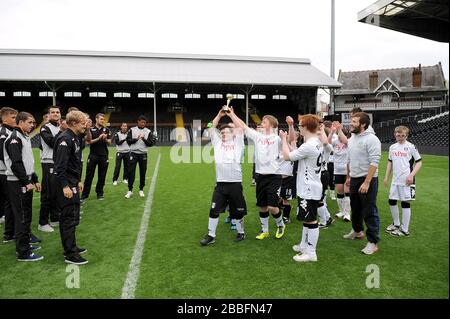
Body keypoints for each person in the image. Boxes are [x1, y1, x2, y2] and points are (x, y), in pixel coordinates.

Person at [228, 107, 286, 240]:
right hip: (260, 176)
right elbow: (242, 126)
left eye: (264, 122)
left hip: (274, 177)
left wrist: (285, 136)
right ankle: (264, 230)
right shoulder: (258, 136)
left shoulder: (277, 138)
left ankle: (280, 225)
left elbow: (287, 145)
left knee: (272, 207)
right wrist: (232, 114)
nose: (261, 123)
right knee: (262, 206)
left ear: (271, 124)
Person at [200, 110, 247, 245]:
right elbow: (210, 127)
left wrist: (231, 114)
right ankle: (211, 235)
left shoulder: (238, 143)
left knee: (238, 212)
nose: (224, 134)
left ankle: (241, 232)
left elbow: (240, 127)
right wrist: (220, 115)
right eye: (222, 132)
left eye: (227, 132)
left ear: (233, 134)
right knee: (214, 210)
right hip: (220, 184)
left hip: (235, 184)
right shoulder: (217, 143)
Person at [280, 114, 323, 263]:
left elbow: (287, 156)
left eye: (300, 125)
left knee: (311, 220)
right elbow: (297, 151)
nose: (299, 127)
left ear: (305, 127)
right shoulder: (316, 142)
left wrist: (283, 140)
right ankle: (304, 245)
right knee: (307, 218)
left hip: (309, 188)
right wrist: (290, 130)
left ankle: (311, 252)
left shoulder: (309, 145)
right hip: (311, 185)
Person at [4, 112, 43, 261]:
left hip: (25, 180)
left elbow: (28, 162)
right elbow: (16, 164)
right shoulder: (14, 138)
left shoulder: (24, 137)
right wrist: (26, 182)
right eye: (30, 122)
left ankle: (25, 244)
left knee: (26, 215)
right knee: (21, 217)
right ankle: (23, 252)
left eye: (33, 122)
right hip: (17, 182)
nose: (33, 125)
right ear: (20, 122)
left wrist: (34, 179)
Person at [344, 112, 381, 255]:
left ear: (363, 124)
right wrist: (349, 176)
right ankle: (357, 231)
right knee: (356, 207)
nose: (350, 123)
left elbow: (374, 162)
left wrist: (366, 182)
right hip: (354, 178)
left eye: (354, 121)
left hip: (367, 179)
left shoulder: (372, 139)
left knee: (369, 210)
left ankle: (373, 242)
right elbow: (349, 159)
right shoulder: (352, 138)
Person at [53, 110, 88, 265]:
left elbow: (74, 162)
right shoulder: (65, 139)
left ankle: (71, 246)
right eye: (82, 123)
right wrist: (65, 186)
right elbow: (60, 166)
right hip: (66, 183)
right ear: (74, 123)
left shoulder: (75, 137)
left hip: (73, 181)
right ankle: (70, 254)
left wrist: (78, 179)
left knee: (72, 216)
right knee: (68, 218)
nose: (85, 125)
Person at [384, 125, 422, 237]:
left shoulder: (411, 147)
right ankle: (396, 224)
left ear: (406, 135)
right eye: (398, 135)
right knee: (392, 200)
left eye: (403, 136)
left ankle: (405, 230)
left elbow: (419, 162)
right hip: (395, 180)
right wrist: (386, 177)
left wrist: (411, 175)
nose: (400, 137)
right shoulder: (392, 147)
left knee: (405, 203)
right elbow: (390, 162)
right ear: (395, 134)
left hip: (407, 180)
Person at [38, 105, 61, 233]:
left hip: (57, 162)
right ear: (49, 114)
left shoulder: (59, 127)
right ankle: (42, 222)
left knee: (56, 193)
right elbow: (52, 143)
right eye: (53, 112)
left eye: (57, 112)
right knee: (47, 193)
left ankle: (54, 218)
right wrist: (62, 132)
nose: (56, 114)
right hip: (48, 163)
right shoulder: (45, 127)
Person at [125, 115, 157, 198]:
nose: (143, 124)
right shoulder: (132, 130)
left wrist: (143, 139)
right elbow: (128, 141)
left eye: (144, 122)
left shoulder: (148, 131)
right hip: (133, 153)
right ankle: (130, 190)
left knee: (143, 172)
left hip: (143, 154)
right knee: (131, 172)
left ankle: (141, 189)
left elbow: (150, 144)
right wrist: (136, 139)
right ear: (138, 121)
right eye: (142, 122)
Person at [81, 113, 111, 201]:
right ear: (96, 119)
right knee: (89, 176)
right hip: (93, 155)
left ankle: (100, 193)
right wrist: (99, 138)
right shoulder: (90, 129)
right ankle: (84, 195)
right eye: (101, 119)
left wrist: (105, 139)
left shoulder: (106, 129)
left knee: (102, 176)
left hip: (104, 156)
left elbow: (109, 142)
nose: (102, 121)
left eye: (103, 119)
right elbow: (88, 142)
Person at [0, 107, 18, 243]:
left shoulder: (11, 132)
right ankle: (10, 234)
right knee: (11, 203)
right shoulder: (3, 133)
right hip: (5, 172)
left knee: (11, 203)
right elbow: (2, 154)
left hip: (8, 171)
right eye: (13, 117)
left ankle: (10, 233)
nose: (15, 120)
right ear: (4, 118)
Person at [329, 121, 351, 222]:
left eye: (340, 135)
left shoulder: (349, 142)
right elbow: (327, 143)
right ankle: (341, 211)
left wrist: (339, 129)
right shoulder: (335, 142)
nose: (339, 138)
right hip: (337, 170)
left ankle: (347, 214)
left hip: (348, 171)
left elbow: (345, 140)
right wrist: (332, 132)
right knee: (340, 191)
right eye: (338, 136)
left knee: (347, 192)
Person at [278, 116, 297, 224]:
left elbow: (292, 140)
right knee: (275, 199)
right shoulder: (277, 145)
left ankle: (286, 217)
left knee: (286, 199)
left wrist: (290, 125)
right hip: (276, 178)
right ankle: (282, 208)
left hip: (287, 178)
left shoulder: (291, 147)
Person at [323, 120, 336, 200]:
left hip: (332, 160)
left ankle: (332, 193)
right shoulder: (322, 135)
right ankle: (323, 197)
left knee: (332, 178)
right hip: (325, 161)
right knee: (325, 180)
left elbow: (331, 146)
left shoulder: (335, 136)